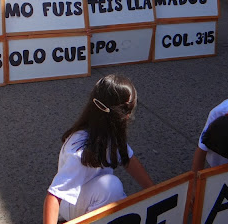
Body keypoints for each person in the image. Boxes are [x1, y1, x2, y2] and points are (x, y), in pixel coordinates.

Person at [43, 75, 154, 223]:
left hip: (91, 196)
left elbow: (129, 160)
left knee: (113, 193)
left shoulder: (110, 135)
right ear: (124, 116)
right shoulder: (80, 149)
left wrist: (154, 192)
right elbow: (53, 196)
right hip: (71, 205)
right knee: (112, 187)